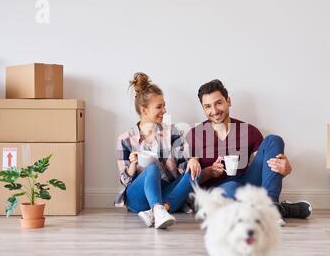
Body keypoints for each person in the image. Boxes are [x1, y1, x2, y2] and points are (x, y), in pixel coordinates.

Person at [187, 79, 311, 220]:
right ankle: (278, 210)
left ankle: (271, 205)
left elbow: (267, 168)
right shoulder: (195, 134)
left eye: (218, 103)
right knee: (231, 187)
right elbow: (191, 178)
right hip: (217, 192)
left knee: (273, 140)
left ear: (229, 101)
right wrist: (208, 170)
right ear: (203, 109)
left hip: (247, 184)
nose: (214, 111)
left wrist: (286, 171)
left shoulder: (249, 131)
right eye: (208, 106)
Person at [115, 73, 201, 229]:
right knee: (151, 169)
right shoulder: (125, 139)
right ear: (144, 110)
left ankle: (157, 211)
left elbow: (183, 169)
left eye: (164, 106)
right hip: (138, 198)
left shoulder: (172, 132)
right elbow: (125, 181)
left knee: (196, 170)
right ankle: (158, 209)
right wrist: (133, 165)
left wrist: (192, 161)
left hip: (166, 193)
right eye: (159, 107)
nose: (164, 110)